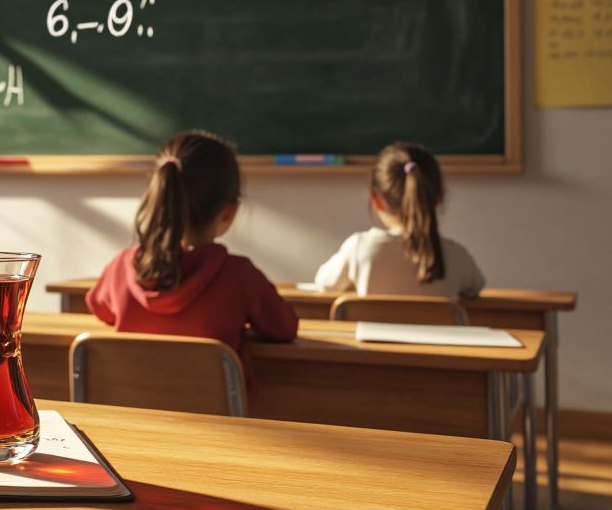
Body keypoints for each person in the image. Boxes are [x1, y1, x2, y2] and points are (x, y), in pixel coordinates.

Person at [85, 131, 298, 397]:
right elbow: (284, 328)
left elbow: (100, 308)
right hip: (219, 432)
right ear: (228, 213)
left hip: (133, 424)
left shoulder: (121, 267)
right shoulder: (239, 276)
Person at [313, 142, 485, 298]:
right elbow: (477, 286)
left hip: (374, 334)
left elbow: (323, 282)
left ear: (376, 201)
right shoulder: (457, 257)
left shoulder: (359, 249)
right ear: (439, 199)